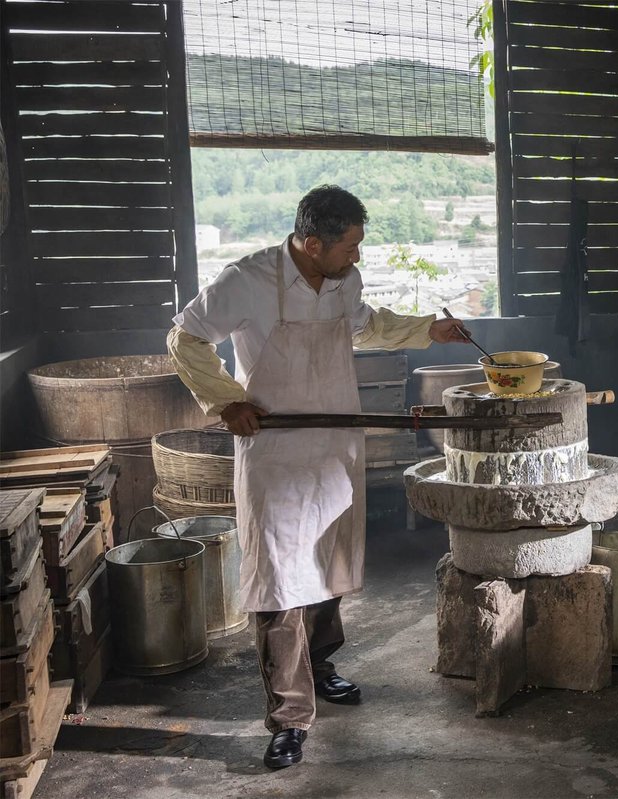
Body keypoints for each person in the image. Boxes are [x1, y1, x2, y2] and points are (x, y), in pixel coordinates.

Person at [167, 185, 469, 769]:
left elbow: (366, 324)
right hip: (275, 453)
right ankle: (288, 716)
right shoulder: (246, 280)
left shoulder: (343, 280)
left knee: (325, 562)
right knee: (279, 580)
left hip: (333, 445)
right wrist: (227, 401)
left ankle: (323, 665)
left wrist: (427, 329)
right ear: (311, 243)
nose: (356, 255)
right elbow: (184, 337)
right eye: (349, 246)